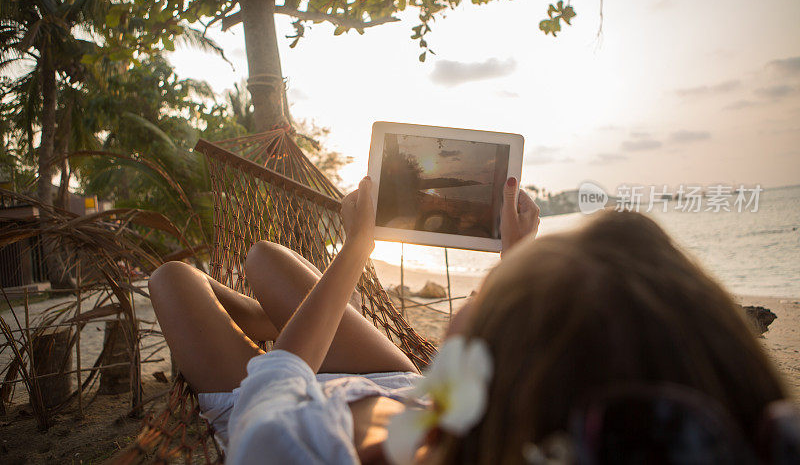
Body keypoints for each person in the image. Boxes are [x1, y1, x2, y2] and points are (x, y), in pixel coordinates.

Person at [149, 176, 794, 464]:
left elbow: (281, 378)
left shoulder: (281, 446)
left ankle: (266, 327)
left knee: (172, 277)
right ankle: (268, 322)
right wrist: (519, 258)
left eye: (497, 297)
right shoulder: (506, 422)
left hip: (272, 393)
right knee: (265, 260)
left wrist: (357, 248)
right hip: (418, 398)